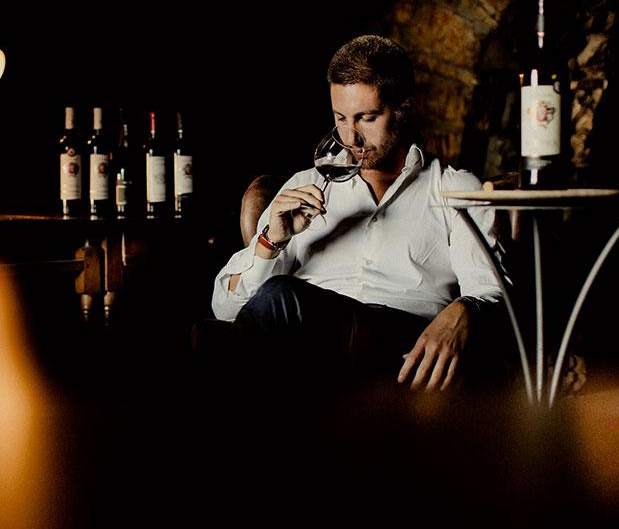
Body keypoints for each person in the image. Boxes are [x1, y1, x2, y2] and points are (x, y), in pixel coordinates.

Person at [211, 34, 507, 392]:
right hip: (307, 348)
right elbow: (226, 309)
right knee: (266, 323)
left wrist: (464, 310)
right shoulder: (304, 185)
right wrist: (271, 241)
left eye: (366, 118)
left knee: (276, 298)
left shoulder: (455, 188)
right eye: (340, 118)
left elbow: (491, 293)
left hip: (402, 348)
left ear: (403, 108)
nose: (351, 137)